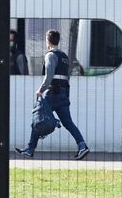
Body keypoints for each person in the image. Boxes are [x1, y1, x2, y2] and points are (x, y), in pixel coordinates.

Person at [15, 29, 89, 160]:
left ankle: (29, 149)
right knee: (68, 123)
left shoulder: (50, 55)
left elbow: (49, 76)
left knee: (38, 119)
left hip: (52, 93)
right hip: (63, 94)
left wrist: (40, 90)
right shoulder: (64, 57)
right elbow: (66, 77)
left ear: (47, 41)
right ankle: (82, 146)